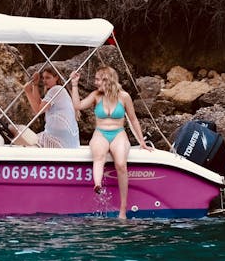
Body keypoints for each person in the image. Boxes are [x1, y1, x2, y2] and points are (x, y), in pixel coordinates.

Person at [70, 65, 151, 220]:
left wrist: (141, 141)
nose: (95, 82)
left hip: (118, 133)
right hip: (100, 132)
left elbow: (133, 119)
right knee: (99, 158)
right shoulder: (95, 96)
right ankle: (98, 184)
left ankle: (123, 209)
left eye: (98, 79)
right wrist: (74, 84)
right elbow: (78, 106)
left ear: (108, 80)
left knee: (121, 164)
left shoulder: (124, 96)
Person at [22, 67, 80, 148]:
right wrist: (35, 85)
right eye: (43, 78)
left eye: (48, 78)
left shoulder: (56, 90)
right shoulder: (58, 90)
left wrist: (28, 92)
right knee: (30, 141)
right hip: (65, 140)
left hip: (58, 140)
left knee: (26, 141)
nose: (44, 81)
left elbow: (38, 110)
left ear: (56, 78)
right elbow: (38, 104)